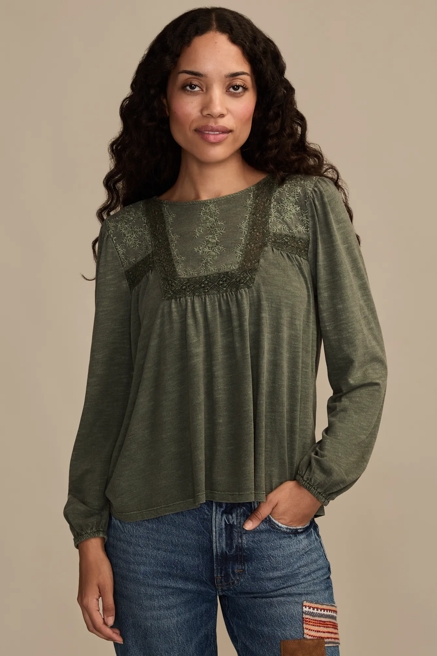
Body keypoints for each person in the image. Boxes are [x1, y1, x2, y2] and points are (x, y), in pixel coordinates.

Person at [63, 6, 388, 656]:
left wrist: (314, 487)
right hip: (147, 543)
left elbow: (364, 373)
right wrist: (89, 534)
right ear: (163, 99)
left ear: (258, 100)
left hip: (277, 536)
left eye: (235, 86)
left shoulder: (307, 204)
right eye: (192, 85)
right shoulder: (129, 234)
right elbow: (108, 396)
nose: (214, 106)